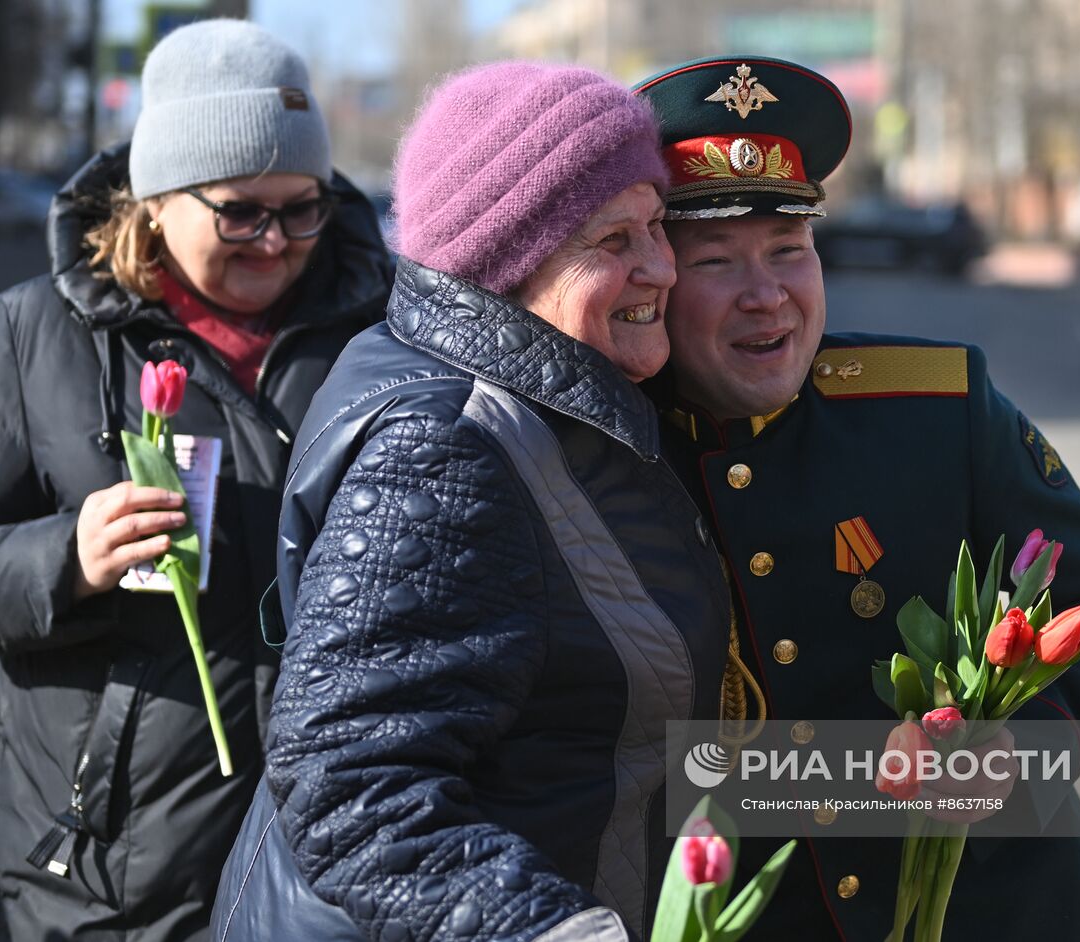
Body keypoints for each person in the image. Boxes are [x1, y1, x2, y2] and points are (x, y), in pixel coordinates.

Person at [210, 63, 732, 942]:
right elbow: (353, 791)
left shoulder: (559, 404)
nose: (661, 267)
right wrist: (557, 933)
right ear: (509, 262)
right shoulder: (449, 449)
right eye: (614, 240)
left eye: (657, 225)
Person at [632, 56, 1080, 941]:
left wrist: (1018, 752)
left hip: (1003, 914)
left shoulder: (938, 403)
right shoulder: (611, 448)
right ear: (658, 284)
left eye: (789, 251)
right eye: (716, 261)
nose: (767, 296)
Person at [0, 19, 392, 941]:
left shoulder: (381, 335)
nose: (276, 242)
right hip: (98, 887)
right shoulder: (34, 336)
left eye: (304, 207)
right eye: (241, 212)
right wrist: (64, 558)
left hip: (328, 873)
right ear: (157, 199)